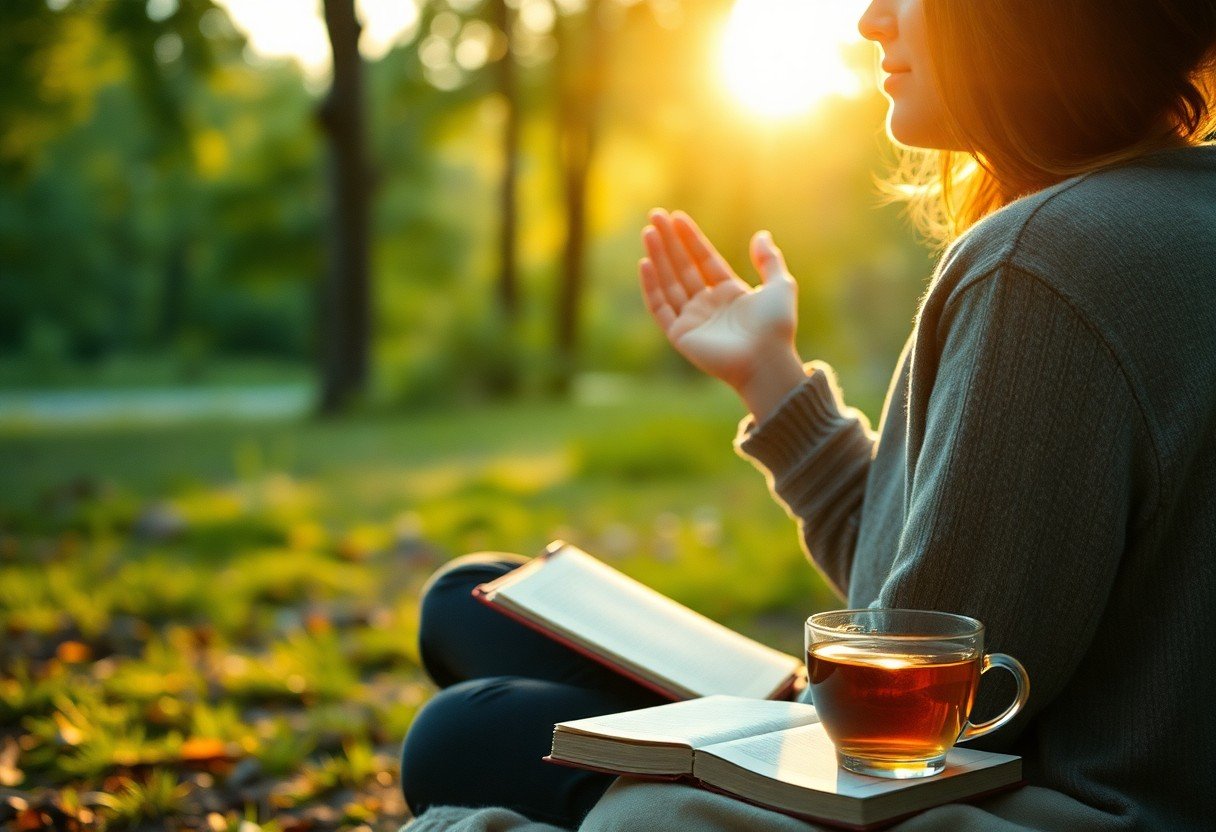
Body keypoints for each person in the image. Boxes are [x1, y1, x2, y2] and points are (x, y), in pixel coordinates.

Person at [399, 1, 1216, 830]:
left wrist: (769, 720)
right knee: (470, 601)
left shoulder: (1044, 263)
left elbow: (925, 704)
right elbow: (939, 596)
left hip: (1029, 798)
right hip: (946, 741)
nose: (871, 21)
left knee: (464, 737)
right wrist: (771, 378)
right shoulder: (1168, 215)